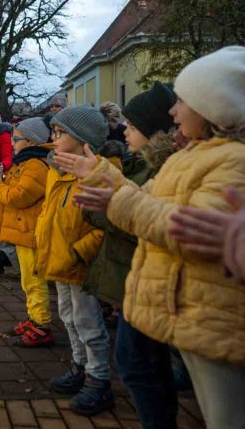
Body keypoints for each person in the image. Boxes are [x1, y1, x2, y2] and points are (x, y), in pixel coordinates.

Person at [60, 46, 245, 428]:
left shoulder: (231, 161)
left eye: (182, 102)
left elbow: (186, 226)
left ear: (213, 107)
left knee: (226, 416)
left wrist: (116, 199)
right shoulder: (190, 156)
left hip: (211, 310)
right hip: (184, 300)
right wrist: (100, 177)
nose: (174, 112)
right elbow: (145, 199)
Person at [79, 83, 178, 429]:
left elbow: (140, 217)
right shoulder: (144, 163)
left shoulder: (162, 170)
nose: (125, 130)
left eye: (133, 126)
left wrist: (103, 199)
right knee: (145, 363)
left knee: (137, 364)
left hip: (147, 279)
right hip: (136, 277)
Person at [36, 106, 117, 416]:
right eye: (53, 132)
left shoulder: (97, 175)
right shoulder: (56, 169)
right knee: (68, 317)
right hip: (60, 259)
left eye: (60, 133)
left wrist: (79, 251)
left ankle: (99, 380)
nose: (53, 138)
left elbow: (106, 224)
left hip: (80, 263)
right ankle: (79, 366)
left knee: (89, 322)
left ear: (82, 139)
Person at [0, 117, 52, 343]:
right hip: (24, 230)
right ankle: (34, 317)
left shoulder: (36, 166)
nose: (12, 142)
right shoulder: (25, 163)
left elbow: (18, 196)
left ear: (31, 141)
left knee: (33, 280)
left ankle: (41, 324)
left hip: (30, 232)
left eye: (16, 139)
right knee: (28, 280)